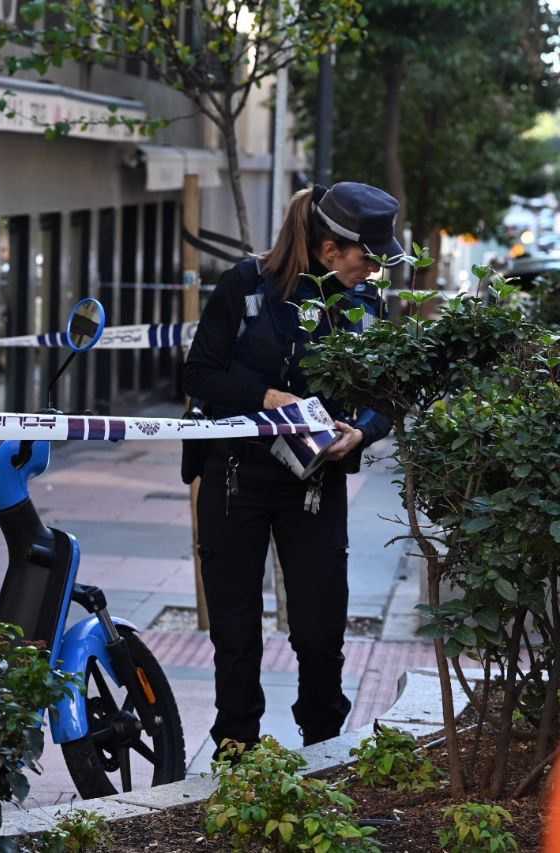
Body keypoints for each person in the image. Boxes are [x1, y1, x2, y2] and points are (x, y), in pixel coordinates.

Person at [182, 182, 398, 753]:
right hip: (235, 479)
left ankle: (324, 748)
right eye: (366, 259)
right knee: (235, 632)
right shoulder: (246, 286)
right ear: (330, 250)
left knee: (320, 631)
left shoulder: (364, 303)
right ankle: (236, 751)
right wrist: (267, 398)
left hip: (314, 484)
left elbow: (389, 393)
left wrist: (363, 431)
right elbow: (198, 375)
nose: (372, 271)